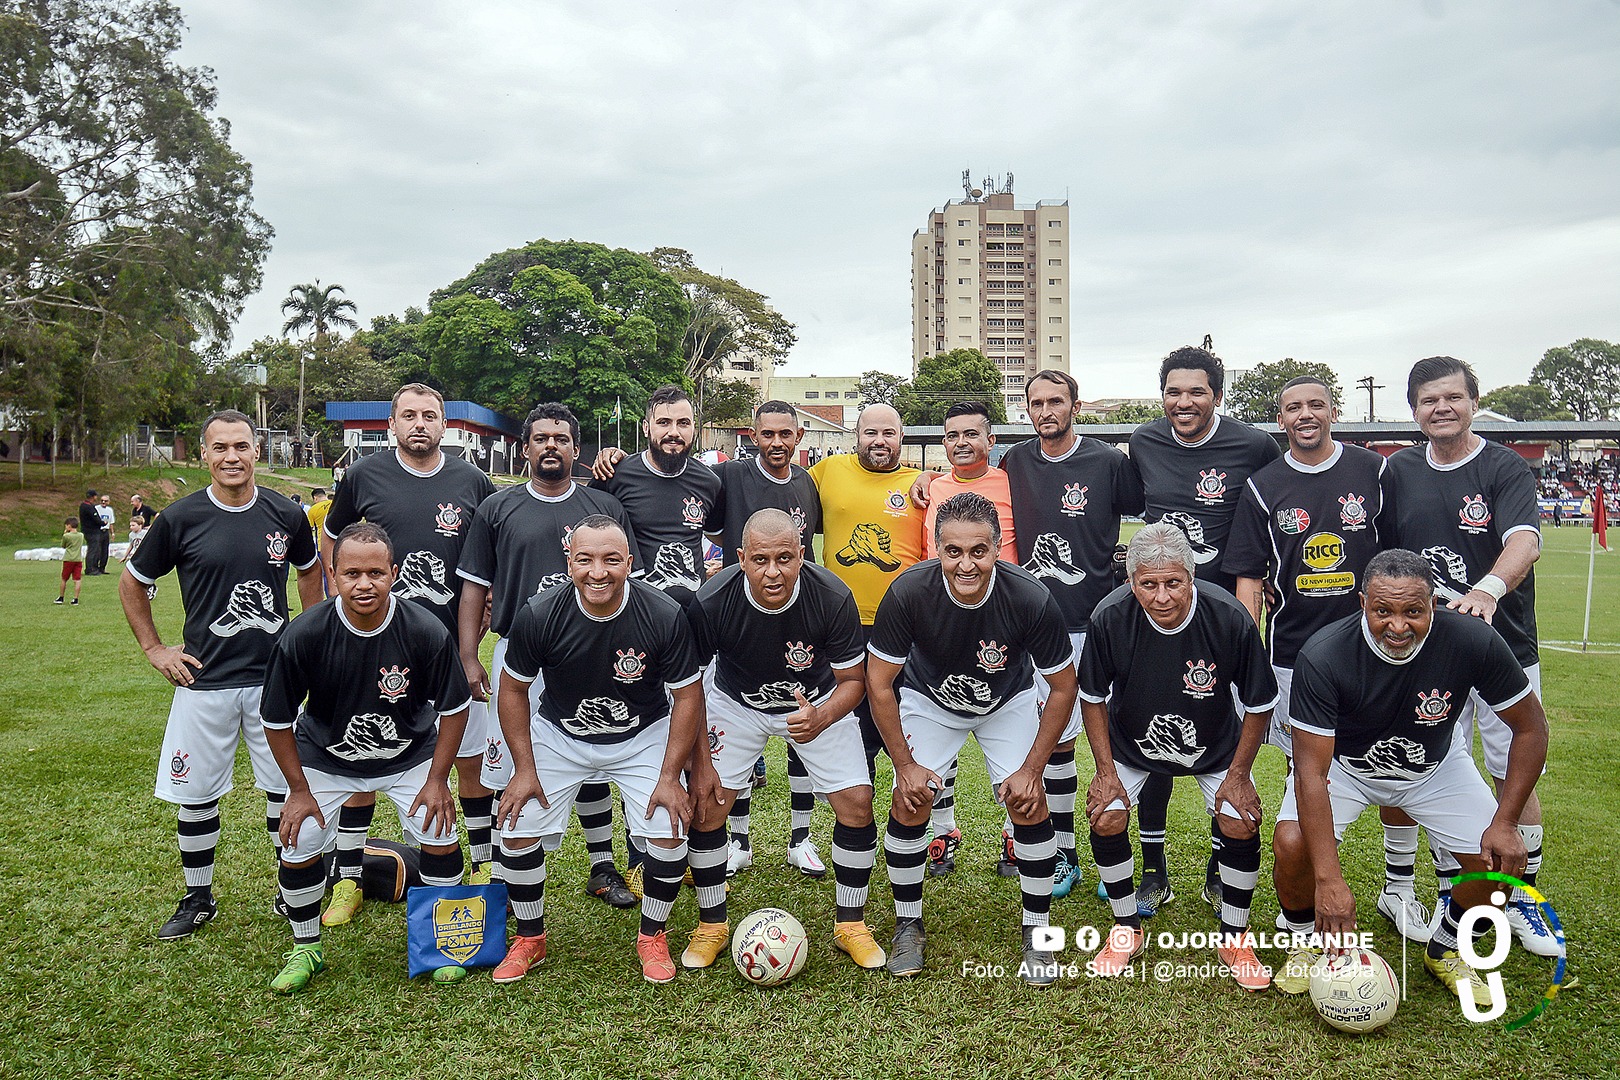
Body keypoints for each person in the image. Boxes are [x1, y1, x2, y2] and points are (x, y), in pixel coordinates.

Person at [1270, 549, 1549, 1004]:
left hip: (1435, 768)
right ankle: (1305, 941)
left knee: (1498, 863)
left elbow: (1531, 728)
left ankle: (1445, 949)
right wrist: (1328, 879)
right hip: (1346, 769)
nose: (1397, 626)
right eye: (1383, 610)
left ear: (1434, 603)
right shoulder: (1324, 655)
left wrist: (1506, 820)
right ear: (1363, 603)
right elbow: (1310, 772)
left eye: (1413, 611)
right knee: (1292, 842)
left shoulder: (1471, 639)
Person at [1222, 376, 1431, 942]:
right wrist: (1247, 650)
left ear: (1332, 410)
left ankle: (1399, 887)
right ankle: (1312, 889)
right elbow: (1249, 577)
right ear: (1281, 418)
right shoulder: (1263, 486)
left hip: (1385, 649)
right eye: (1293, 408)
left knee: (1403, 760)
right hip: (1295, 656)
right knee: (1302, 771)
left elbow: (1404, 556)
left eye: (1315, 404)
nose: (1305, 414)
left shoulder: (1372, 471)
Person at [120, 409, 323, 940]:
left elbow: (310, 575)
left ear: (257, 451)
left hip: (272, 682)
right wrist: (154, 648)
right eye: (220, 448)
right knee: (197, 794)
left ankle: (290, 888)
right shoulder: (180, 518)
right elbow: (133, 581)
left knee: (287, 790)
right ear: (206, 454)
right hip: (202, 680)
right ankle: (197, 897)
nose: (231, 457)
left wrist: (308, 640)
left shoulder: (286, 513)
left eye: (241, 447)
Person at [1382, 356, 1559, 958]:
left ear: (1473, 402)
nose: (1441, 409)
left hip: (1504, 643)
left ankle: (1523, 897)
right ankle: (1449, 890)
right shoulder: (1399, 470)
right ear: (1414, 410)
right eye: (1429, 401)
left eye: (1452, 398)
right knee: (1434, 766)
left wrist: (1486, 589)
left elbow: (1524, 542)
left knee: (1514, 765)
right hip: (1427, 653)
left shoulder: (1503, 466)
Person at [867, 493, 1077, 985]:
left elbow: (1065, 686)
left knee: (1029, 804)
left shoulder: (1030, 596)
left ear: (998, 548)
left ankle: (1039, 935)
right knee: (911, 801)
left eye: (979, 551)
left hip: (1006, 703)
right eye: (953, 551)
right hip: (930, 700)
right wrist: (904, 767)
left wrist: (1030, 771)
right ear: (936, 548)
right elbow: (878, 683)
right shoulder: (908, 592)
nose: (966, 564)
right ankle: (908, 924)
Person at [491, 515, 708, 985]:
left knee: (669, 826)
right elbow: (511, 690)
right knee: (516, 825)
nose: (598, 571)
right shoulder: (539, 613)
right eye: (585, 559)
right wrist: (524, 768)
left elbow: (689, 696)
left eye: (612, 559)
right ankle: (531, 937)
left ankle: (653, 934)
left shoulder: (663, 614)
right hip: (561, 734)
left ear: (630, 563)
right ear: (568, 562)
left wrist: (671, 776)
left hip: (641, 734)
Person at [260, 523, 473, 993]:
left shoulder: (423, 628)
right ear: (332, 575)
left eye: (375, 572)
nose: (364, 583)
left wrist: (437, 779)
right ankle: (306, 947)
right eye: (351, 572)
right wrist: (297, 790)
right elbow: (276, 719)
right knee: (299, 840)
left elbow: (455, 710)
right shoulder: (306, 633)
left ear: (394, 573)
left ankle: (441, 944)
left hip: (409, 754)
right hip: (326, 758)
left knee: (438, 833)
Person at [315, 384, 498, 924]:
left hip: (448, 648)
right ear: (391, 424)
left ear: (446, 426)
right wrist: (338, 597)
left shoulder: (472, 481)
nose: (420, 424)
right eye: (409, 416)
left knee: (469, 759)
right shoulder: (363, 477)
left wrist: (486, 604)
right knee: (362, 758)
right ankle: (348, 878)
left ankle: (484, 868)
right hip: (372, 647)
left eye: (430, 416)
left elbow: (489, 553)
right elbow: (332, 540)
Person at [683, 509, 885, 970]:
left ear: (802, 555)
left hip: (815, 703)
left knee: (856, 801)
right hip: (736, 704)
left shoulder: (832, 596)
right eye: (759, 560)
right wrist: (702, 764)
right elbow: (690, 688)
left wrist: (822, 717)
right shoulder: (713, 599)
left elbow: (854, 679)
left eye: (784, 558)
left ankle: (850, 924)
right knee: (709, 803)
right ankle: (712, 924)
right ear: (740, 558)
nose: (772, 572)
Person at [458, 403, 642, 908]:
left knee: (590, 752)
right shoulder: (498, 508)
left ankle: (602, 866)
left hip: (588, 654)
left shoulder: (601, 510)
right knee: (507, 766)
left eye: (561, 438)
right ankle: (501, 870)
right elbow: (474, 587)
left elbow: (630, 585)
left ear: (575, 449)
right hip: (519, 656)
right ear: (526, 448)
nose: (551, 446)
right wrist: (470, 655)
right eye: (541, 438)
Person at [1080, 523, 1277, 990]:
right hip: (1133, 742)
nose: (1162, 596)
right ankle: (1127, 927)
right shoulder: (1109, 617)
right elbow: (1091, 696)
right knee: (1106, 816)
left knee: (1239, 818)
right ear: (1131, 582)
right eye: (1148, 584)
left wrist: (1240, 775)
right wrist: (1106, 772)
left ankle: (1235, 934)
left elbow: (1260, 703)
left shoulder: (1229, 617)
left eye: (1174, 583)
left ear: (1192, 576)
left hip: (1215, 746)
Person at [1126, 345, 1282, 915]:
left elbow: (1279, 500)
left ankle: (1220, 864)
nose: (1183, 402)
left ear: (1217, 394)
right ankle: (1154, 870)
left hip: (1221, 620)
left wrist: (1258, 587)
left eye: (1196, 391)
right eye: (1173, 391)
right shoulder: (1143, 441)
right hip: (1156, 610)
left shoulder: (1254, 444)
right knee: (1150, 732)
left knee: (1221, 734)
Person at [996, 369, 1144, 896]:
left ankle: (1124, 855)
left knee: (1124, 742)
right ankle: (1064, 852)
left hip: (1098, 620)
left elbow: (1147, 518)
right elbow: (972, 487)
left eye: (1055, 401)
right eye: (1035, 403)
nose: (1044, 412)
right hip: (1036, 625)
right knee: (1055, 743)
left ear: (1074, 405)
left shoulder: (1107, 461)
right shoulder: (1013, 462)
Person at [705, 401, 825, 878]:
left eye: (785, 434)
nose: (776, 442)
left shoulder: (807, 483)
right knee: (739, 729)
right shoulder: (730, 477)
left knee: (798, 719)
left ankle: (801, 838)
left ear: (798, 437)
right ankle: (739, 841)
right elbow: (701, 522)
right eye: (767, 434)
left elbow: (809, 552)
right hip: (740, 619)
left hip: (795, 622)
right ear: (753, 436)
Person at [807, 404, 927, 786]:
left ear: (901, 437)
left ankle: (923, 815)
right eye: (870, 433)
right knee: (854, 727)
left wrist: (931, 476)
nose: (879, 441)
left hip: (907, 624)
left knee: (913, 722)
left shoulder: (919, 482)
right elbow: (774, 483)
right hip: (844, 621)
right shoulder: (828, 472)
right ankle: (859, 811)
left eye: (888, 433)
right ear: (855, 436)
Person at [80, 489, 109, 575]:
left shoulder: (83, 505)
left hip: (88, 530)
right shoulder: (89, 507)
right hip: (92, 531)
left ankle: (93, 568)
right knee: (93, 550)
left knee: (94, 549)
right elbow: (95, 518)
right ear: (93, 497)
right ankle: (90, 569)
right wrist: (103, 523)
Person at [57, 518, 84, 605]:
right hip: (78, 559)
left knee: (64, 578)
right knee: (77, 579)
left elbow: (63, 545)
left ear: (69, 525)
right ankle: (75, 598)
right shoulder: (81, 535)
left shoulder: (66, 536)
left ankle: (61, 597)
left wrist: (65, 533)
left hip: (68, 559)